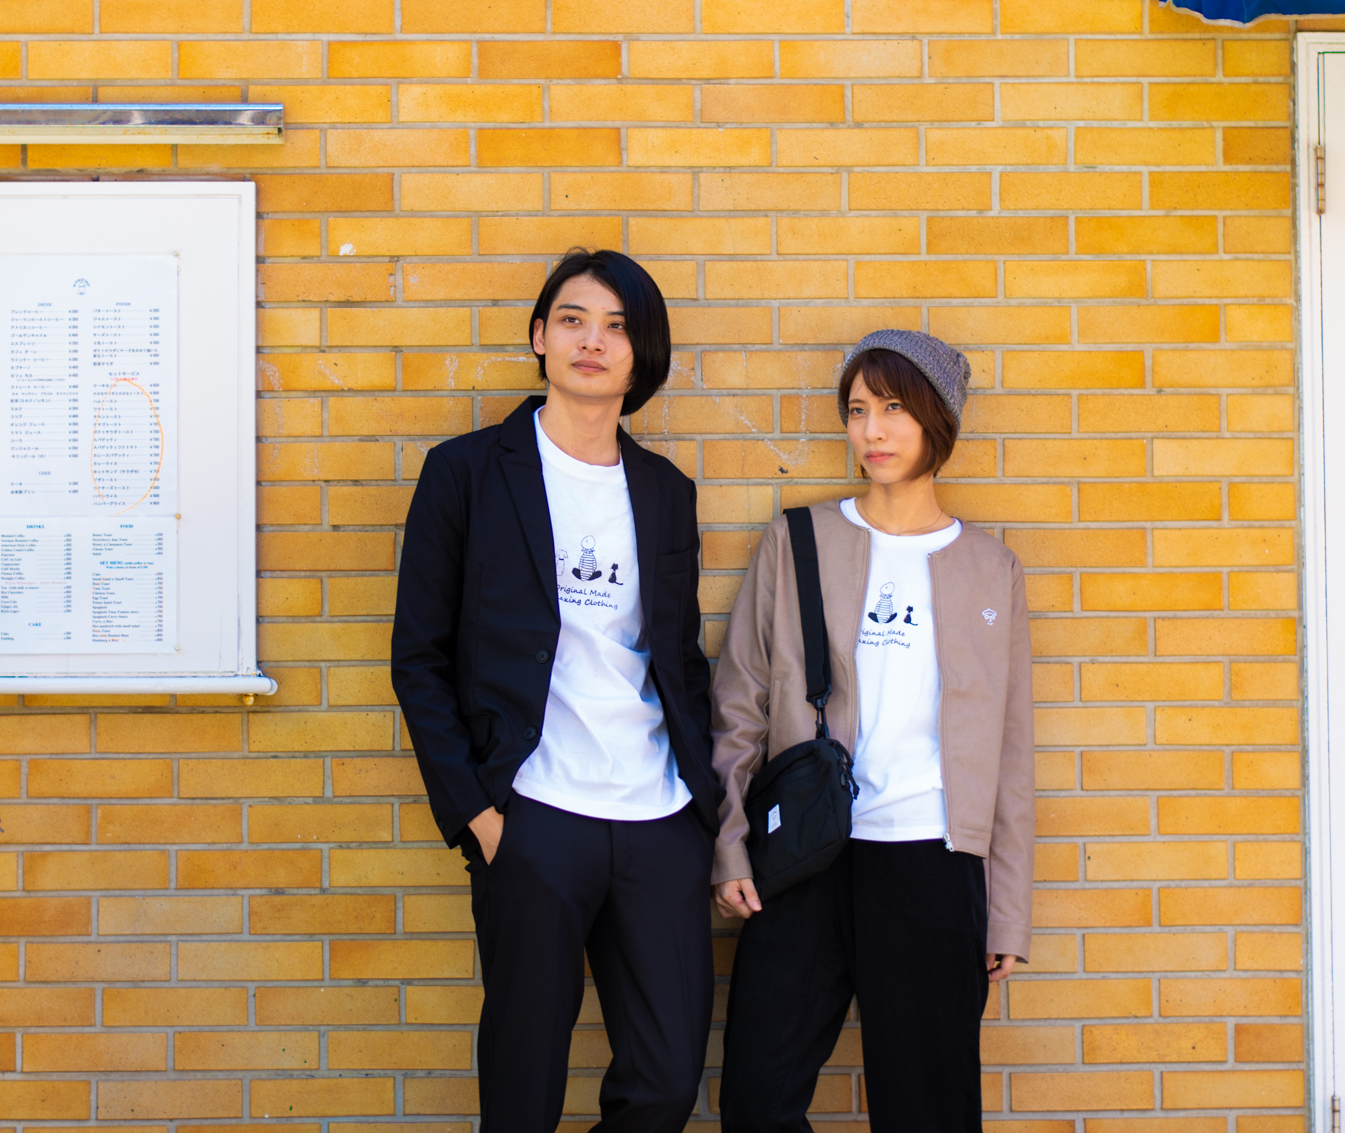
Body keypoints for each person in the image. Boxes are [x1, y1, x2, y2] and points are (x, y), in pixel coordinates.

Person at [392, 249, 720, 1133]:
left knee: (666, 1080)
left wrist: (704, 812)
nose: (592, 341)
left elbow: (677, 660)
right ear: (540, 336)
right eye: (573, 320)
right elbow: (418, 656)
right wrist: (479, 815)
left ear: (642, 355)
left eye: (617, 327)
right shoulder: (466, 472)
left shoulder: (665, 492)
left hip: (658, 818)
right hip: (533, 815)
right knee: (523, 1082)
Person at [709, 329, 1035, 1133]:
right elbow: (740, 704)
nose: (872, 431)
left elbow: (1009, 752)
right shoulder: (798, 541)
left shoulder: (991, 569)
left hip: (933, 864)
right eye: (857, 410)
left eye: (894, 409)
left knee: (929, 1112)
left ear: (936, 420)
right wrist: (730, 845)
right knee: (755, 1100)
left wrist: (1005, 910)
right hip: (804, 859)